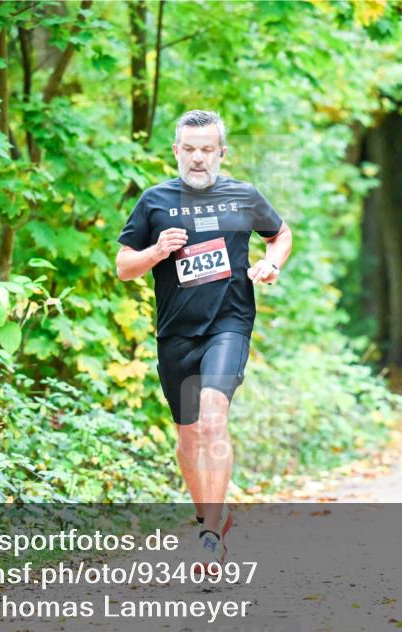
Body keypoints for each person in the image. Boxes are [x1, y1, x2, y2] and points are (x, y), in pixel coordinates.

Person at [116, 110, 292, 570]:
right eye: (189, 149)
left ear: (221, 152)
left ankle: (210, 536)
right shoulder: (155, 201)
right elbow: (123, 267)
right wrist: (157, 251)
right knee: (189, 436)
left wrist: (272, 263)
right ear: (176, 151)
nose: (198, 158)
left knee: (214, 418)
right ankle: (208, 514)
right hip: (175, 333)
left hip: (228, 324)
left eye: (207, 149)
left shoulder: (242, 195)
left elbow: (280, 234)